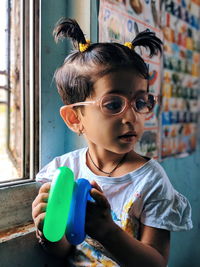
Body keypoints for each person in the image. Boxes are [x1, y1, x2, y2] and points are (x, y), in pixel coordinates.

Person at [32, 18, 193, 267]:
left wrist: (107, 230)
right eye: (113, 104)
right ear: (75, 118)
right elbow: (64, 251)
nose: (131, 117)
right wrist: (47, 230)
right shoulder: (62, 171)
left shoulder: (151, 181)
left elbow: (156, 263)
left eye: (140, 102)